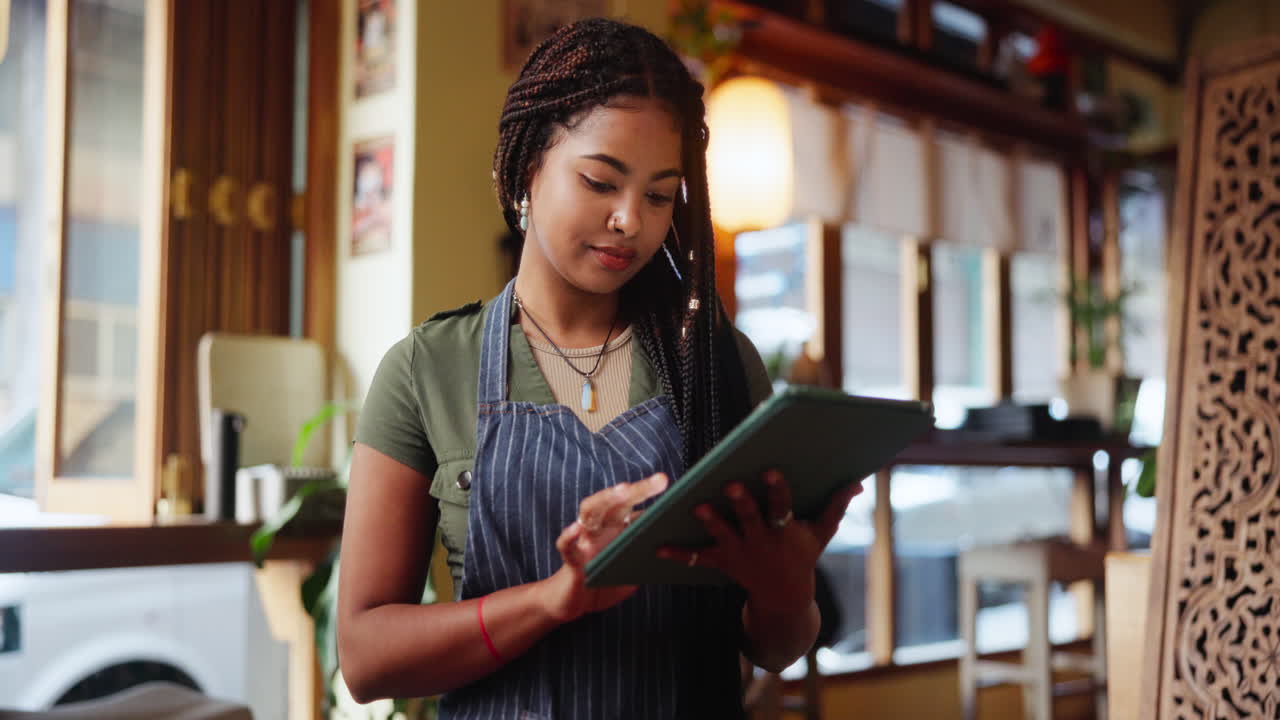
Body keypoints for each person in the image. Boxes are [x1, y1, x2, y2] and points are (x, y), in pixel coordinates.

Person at [337, 18, 863, 719]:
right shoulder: (425, 369)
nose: (629, 221)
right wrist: (556, 599)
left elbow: (776, 646)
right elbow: (366, 659)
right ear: (528, 165)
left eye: (657, 195)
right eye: (600, 181)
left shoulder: (714, 365)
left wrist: (786, 590)